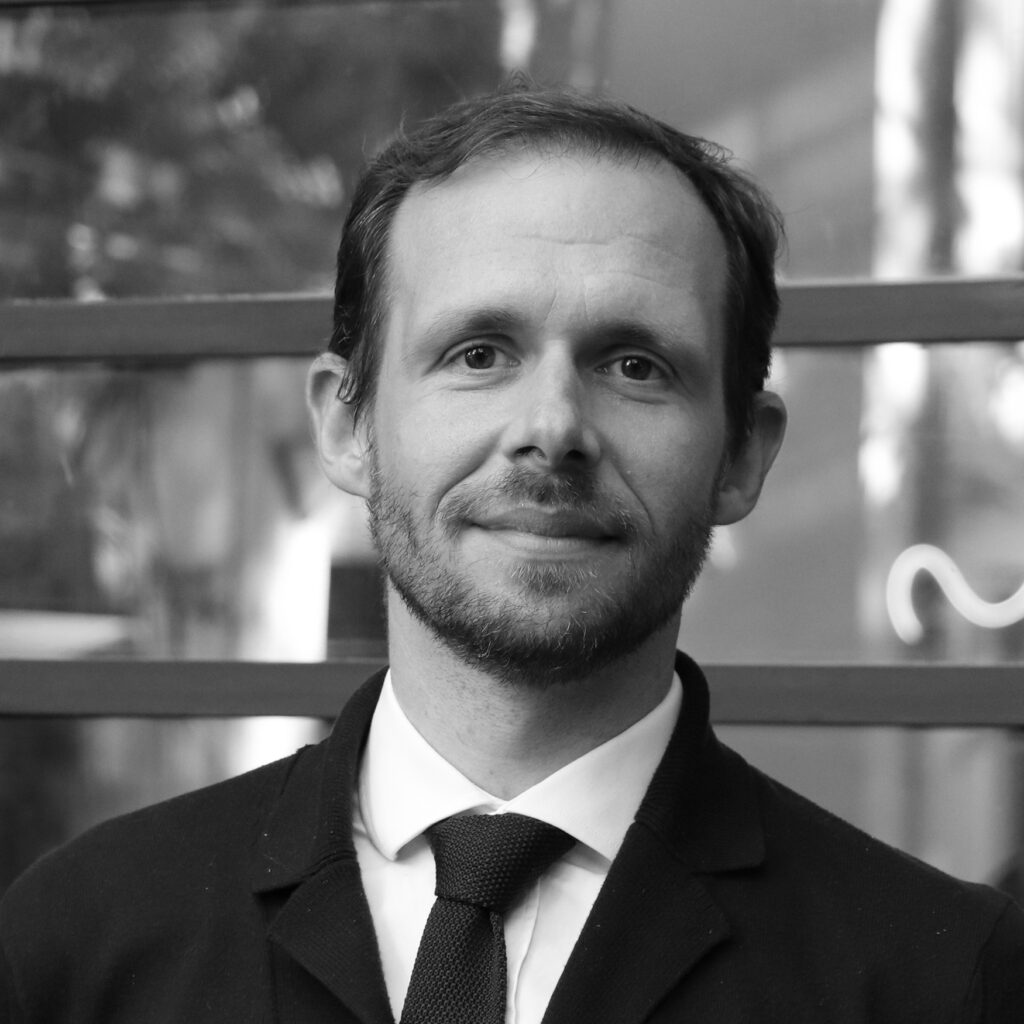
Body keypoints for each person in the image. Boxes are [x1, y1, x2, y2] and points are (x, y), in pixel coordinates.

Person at [2, 82, 1023, 1024]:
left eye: (634, 365)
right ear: (347, 426)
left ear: (742, 455)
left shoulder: (943, 984)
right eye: (478, 353)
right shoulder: (76, 945)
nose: (551, 428)